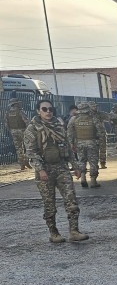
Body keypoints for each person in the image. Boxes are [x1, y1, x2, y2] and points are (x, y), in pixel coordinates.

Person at [23, 99, 89, 243]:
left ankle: (74, 231)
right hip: (45, 170)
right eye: (45, 109)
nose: (48, 112)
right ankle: (53, 232)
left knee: (71, 200)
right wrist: (40, 169)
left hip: (61, 168)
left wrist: (75, 166)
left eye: (50, 109)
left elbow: (67, 147)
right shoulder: (33, 129)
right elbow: (31, 152)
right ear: (38, 111)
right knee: (49, 203)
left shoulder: (58, 126)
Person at [67, 102, 104, 188]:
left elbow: (69, 133)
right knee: (93, 162)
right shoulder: (93, 118)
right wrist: (99, 141)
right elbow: (101, 131)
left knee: (82, 161)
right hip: (91, 143)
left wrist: (71, 143)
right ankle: (93, 181)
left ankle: (83, 178)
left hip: (79, 143)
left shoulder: (73, 119)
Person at [3, 98, 31, 170]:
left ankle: (21, 164)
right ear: (15, 104)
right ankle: (26, 161)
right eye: (18, 103)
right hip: (23, 131)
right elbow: (27, 122)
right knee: (28, 146)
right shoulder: (20, 112)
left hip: (13, 131)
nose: (19, 104)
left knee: (19, 148)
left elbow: (6, 124)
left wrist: (12, 130)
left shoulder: (8, 112)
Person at [88, 102, 109, 169]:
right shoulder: (88, 115)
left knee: (103, 150)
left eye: (95, 106)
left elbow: (109, 115)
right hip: (93, 136)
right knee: (94, 151)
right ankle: (95, 164)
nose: (95, 108)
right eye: (93, 106)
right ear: (90, 107)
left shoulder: (100, 113)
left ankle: (103, 163)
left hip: (102, 135)